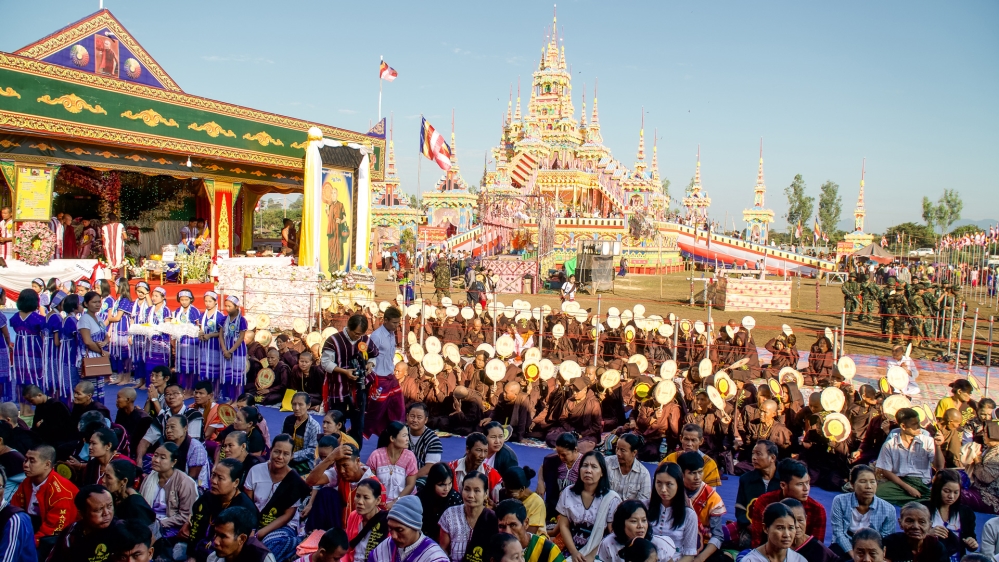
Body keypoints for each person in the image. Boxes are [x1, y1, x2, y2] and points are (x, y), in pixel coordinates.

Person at [244, 435, 311, 562]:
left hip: (282, 526)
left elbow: (287, 516)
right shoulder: (255, 471)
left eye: (286, 454)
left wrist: (261, 533)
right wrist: (252, 529)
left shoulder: (294, 480)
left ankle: (295, 543)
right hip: (254, 520)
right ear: (270, 450)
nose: (280, 457)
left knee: (268, 545)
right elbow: (248, 504)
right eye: (277, 451)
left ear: (291, 456)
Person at [320, 314, 378, 446]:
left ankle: (356, 453)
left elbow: (374, 355)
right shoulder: (333, 340)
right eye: (356, 333)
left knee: (358, 423)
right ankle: (335, 450)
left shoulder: (365, 340)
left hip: (359, 389)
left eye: (361, 334)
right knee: (336, 422)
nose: (358, 337)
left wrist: (370, 364)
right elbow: (325, 363)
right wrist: (344, 372)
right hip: (338, 389)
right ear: (349, 328)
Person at [186, 459, 260, 562]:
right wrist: (192, 556)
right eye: (213, 475)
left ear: (236, 482)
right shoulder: (207, 497)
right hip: (200, 549)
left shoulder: (245, 508)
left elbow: (243, 545)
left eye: (220, 478)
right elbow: (196, 527)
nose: (214, 481)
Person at [556, 451, 621, 562]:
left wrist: (591, 556)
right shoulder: (569, 492)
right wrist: (574, 552)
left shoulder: (611, 499)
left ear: (602, 473)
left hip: (599, 551)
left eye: (594, 467)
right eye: (585, 466)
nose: (588, 470)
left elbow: (612, 533)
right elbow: (564, 526)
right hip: (572, 547)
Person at [12, 444, 77, 550]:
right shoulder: (27, 481)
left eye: (32, 461)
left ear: (47, 464)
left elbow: (53, 531)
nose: (26, 465)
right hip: (32, 526)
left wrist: (24, 544)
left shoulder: (61, 492)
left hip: (55, 539)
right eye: (25, 460)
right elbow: (14, 508)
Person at [748, 458, 825, 547]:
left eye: (807, 483)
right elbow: (757, 541)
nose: (806, 489)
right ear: (783, 485)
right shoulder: (765, 502)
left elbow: (816, 548)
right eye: (800, 484)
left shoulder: (817, 510)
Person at [876, 407, 945, 505]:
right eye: (914, 424)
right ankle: (921, 500)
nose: (919, 427)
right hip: (900, 483)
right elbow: (886, 471)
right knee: (877, 493)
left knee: (940, 496)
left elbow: (939, 466)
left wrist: (938, 447)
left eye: (918, 423)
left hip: (921, 483)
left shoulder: (927, 441)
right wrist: (908, 488)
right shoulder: (890, 444)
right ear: (903, 426)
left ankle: (919, 499)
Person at [830, 465, 897, 560]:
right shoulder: (840, 501)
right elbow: (838, 533)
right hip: (845, 544)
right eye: (863, 481)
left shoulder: (889, 509)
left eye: (872, 482)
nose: (869, 486)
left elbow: (884, 539)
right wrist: (854, 555)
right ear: (852, 484)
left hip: (872, 547)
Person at [139, 442, 197, 550]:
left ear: (173, 462)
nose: (156, 460)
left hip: (171, 527)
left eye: (162, 457)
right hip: (148, 522)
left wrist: (158, 524)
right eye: (155, 455)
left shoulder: (185, 483)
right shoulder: (149, 479)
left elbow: (185, 516)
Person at [366, 494, 450, 562]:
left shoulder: (434, 557)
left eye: (399, 530)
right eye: (390, 528)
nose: (393, 536)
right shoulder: (385, 546)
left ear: (415, 527)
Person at [47, 485, 119, 562]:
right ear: (81, 514)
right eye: (99, 509)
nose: (106, 513)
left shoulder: (120, 529)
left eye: (109, 506)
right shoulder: (71, 535)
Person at [440, 471, 499, 562]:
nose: (470, 495)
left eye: (476, 491)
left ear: (485, 493)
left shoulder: (493, 519)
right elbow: (443, 551)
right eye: (467, 489)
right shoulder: (450, 515)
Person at [648, 463, 698, 562]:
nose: (663, 489)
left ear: (678, 484)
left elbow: (689, 555)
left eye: (669, 484)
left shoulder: (689, 515)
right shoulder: (644, 507)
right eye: (659, 483)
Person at [366, 307, 404, 439]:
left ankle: (397, 432)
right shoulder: (376, 336)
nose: (396, 325)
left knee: (398, 407)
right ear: (385, 320)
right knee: (376, 411)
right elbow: (369, 357)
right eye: (394, 322)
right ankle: (358, 432)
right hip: (379, 378)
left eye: (398, 323)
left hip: (390, 376)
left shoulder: (392, 333)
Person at [923, 469, 978, 560]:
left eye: (956, 492)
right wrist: (927, 534)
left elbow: (970, 539)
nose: (951, 496)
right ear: (937, 489)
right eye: (947, 491)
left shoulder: (966, 512)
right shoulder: (923, 509)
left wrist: (972, 543)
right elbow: (910, 538)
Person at [598, 500, 677, 562]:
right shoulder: (609, 544)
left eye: (644, 520)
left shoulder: (660, 545)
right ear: (621, 523)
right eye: (634, 521)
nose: (640, 526)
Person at [366, 421, 418, 508]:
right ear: (392, 438)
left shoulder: (410, 457)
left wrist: (395, 502)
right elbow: (371, 483)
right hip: (379, 503)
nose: (407, 439)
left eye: (407, 435)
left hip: (403, 502)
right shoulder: (376, 455)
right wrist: (380, 503)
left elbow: (410, 485)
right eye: (404, 435)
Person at [495, 498, 564, 562]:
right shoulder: (494, 549)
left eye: (513, 525)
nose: (507, 532)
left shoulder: (547, 550)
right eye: (502, 526)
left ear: (526, 523)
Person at [735, 440, 780, 536]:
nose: (754, 458)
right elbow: (740, 508)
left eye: (758, 454)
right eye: (753, 454)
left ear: (772, 458)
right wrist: (749, 525)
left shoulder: (784, 480)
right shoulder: (746, 480)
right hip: (752, 528)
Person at [538, 432, 581, 526]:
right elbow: (543, 467)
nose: (561, 457)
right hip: (556, 506)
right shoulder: (555, 460)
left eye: (564, 455)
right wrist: (540, 482)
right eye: (558, 453)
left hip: (576, 509)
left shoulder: (584, 463)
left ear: (575, 450)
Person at [739, 503, 807, 562]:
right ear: (765, 528)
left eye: (791, 528)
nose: (786, 534)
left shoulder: (799, 560)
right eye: (780, 528)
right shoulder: (751, 560)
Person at [882, 502, 949, 562]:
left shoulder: (936, 547)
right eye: (910, 521)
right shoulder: (890, 543)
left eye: (922, 522)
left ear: (929, 526)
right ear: (900, 523)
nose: (916, 526)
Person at [342, 478, 389, 562]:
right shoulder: (353, 516)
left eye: (366, 498)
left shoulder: (386, 521)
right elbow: (347, 549)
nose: (360, 502)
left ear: (378, 500)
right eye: (357, 496)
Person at [662, 424, 721, 488]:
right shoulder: (670, 459)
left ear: (701, 441)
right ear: (681, 438)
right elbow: (659, 482)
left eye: (693, 440)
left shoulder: (709, 464)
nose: (689, 444)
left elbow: (710, 493)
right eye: (686, 439)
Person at [207, 506, 275, 562]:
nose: (216, 541)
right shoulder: (213, 558)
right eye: (216, 534)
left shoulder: (262, 558)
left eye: (223, 536)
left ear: (242, 539)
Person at [101, 458, 154, 528]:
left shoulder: (136, 506)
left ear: (124, 481)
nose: (103, 480)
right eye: (104, 475)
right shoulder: (114, 496)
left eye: (108, 477)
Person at [782, 498, 838, 562]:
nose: (797, 526)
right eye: (792, 521)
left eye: (800, 520)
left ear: (806, 519)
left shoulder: (816, 548)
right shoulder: (773, 544)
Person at [416, 463, 462, 539]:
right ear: (432, 483)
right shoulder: (421, 497)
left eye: (449, 483)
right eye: (441, 485)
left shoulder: (455, 499)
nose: (447, 489)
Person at [605, 433, 651, 505]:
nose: (618, 453)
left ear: (634, 452)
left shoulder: (643, 474)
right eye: (617, 448)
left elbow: (642, 503)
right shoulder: (607, 463)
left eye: (623, 450)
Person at [280, 393, 320, 475]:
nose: (297, 408)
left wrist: (293, 456)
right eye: (294, 404)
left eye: (300, 404)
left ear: (308, 406)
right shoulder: (288, 420)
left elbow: (312, 451)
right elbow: (283, 439)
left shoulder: (313, 426)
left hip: (306, 462)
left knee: (289, 474)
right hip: (287, 457)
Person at [406, 403, 443, 483]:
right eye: (412, 416)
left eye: (419, 417)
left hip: (421, 477)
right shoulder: (400, 433)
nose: (415, 420)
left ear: (426, 420)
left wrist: (408, 480)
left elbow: (429, 467)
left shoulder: (433, 441)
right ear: (407, 417)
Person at [114, 387, 151, 461]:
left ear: (128, 400)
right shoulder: (120, 412)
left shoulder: (142, 418)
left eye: (119, 398)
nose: (116, 400)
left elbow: (141, 441)